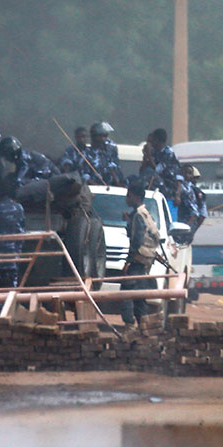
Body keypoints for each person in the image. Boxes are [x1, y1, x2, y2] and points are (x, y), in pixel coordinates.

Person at [121, 183, 161, 332]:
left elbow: (137, 240)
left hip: (138, 259)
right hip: (145, 259)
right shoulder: (144, 213)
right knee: (139, 294)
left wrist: (128, 262)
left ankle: (130, 326)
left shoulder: (138, 215)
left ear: (136, 197)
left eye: (129, 196)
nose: (127, 199)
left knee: (126, 292)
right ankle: (143, 326)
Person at [84, 121, 124, 186]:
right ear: (93, 136)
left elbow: (114, 168)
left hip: (113, 187)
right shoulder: (87, 153)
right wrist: (98, 187)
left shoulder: (110, 151)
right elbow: (85, 175)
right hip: (94, 188)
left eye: (105, 136)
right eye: (100, 136)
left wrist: (118, 183)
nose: (103, 139)